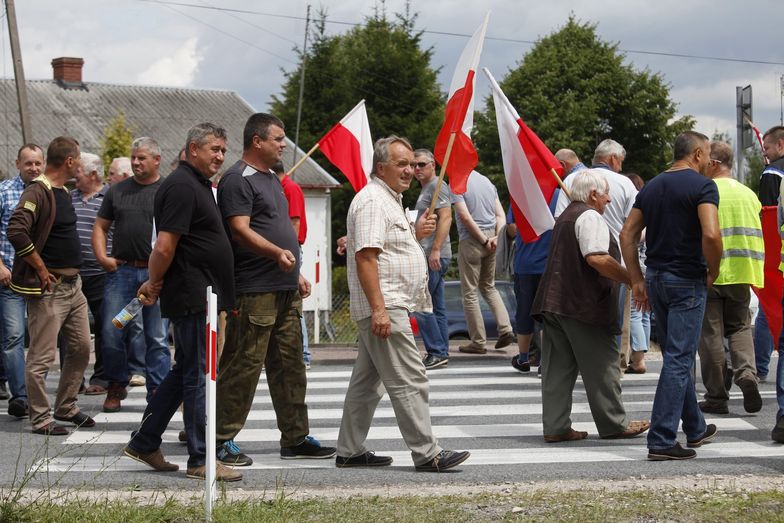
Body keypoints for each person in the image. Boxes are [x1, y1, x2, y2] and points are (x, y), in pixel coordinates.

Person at [336, 135, 470, 472]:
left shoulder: (388, 199)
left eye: (412, 164)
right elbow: (366, 257)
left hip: (389, 303)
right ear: (381, 167)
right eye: (401, 164)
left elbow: (390, 249)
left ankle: (349, 450)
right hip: (386, 305)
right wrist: (379, 309)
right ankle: (428, 453)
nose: (410, 170)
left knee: (366, 384)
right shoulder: (372, 201)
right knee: (410, 378)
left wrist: (416, 236)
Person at [123, 122, 241, 482]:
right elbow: (163, 246)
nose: (220, 156)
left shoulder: (198, 184)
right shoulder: (180, 186)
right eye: (213, 149)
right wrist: (154, 280)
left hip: (202, 293)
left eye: (223, 150)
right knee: (199, 376)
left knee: (184, 372)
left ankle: (145, 442)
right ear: (192, 149)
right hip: (193, 295)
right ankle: (200, 459)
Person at [215, 113, 334, 468]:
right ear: (257, 141)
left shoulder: (271, 179)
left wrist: (294, 270)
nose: (283, 145)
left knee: (290, 366)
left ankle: (295, 437)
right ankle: (220, 439)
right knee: (243, 366)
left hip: (284, 286)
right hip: (255, 289)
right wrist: (275, 253)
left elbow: (280, 228)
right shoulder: (237, 179)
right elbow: (239, 229)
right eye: (278, 139)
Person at [621, 131, 722, 460]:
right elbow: (710, 232)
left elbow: (628, 234)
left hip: (656, 278)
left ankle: (694, 426)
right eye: (707, 155)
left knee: (674, 356)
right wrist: (714, 267)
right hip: (687, 279)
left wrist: (636, 278)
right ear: (695, 154)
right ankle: (662, 439)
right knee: (680, 359)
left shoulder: (650, 186)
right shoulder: (703, 186)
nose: (709, 161)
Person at [531, 169, 649, 442]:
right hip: (582, 305)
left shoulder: (564, 217)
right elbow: (596, 258)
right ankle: (614, 424)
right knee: (604, 365)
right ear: (594, 194)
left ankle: (556, 427)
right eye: (606, 193)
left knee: (557, 371)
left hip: (553, 302)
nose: (609, 200)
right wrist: (631, 278)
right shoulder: (590, 216)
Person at [7, 136, 95, 435]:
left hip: (74, 287)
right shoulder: (37, 191)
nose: (81, 162)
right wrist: (41, 269)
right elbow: (16, 230)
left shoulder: (64, 192)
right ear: (69, 161)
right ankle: (41, 418)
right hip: (50, 289)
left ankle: (66, 405)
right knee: (41, 358)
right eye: (78, 158)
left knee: (82, 347)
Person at [93, 137, 170, 412]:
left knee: (157, 338)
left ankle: (158, 392)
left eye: (142, 158)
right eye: (134, 157)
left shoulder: (168, 190)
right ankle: (116, 385)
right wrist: (103, 257)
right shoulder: (118, 191)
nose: (136, 162)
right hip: (123, 275)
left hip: (156, 277)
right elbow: (101, 227)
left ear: (157, 160)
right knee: (112, 329)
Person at [556, 139, 638, 371]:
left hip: (574, 264)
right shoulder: (625, 183)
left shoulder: (571, 180)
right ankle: (613, 365)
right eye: (620, 162)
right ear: (613, 159)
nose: (620, 167)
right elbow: (637, 228)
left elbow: (559, 221)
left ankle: (580, 363)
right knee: (613, 320)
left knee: (579, 315)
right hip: (615, 263)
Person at [696, 141, 763, 416]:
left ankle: (716, 396)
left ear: (713, 163)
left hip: (712, 272)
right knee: (740, 328)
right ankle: (747, 374)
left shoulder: (705, 191)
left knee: (711, 334)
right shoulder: (749, 194)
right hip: (743, 271)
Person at [0, 144, 44, 418]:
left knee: (42, 341)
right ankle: (20, 396)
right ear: (18, 164)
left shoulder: (48, 192)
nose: (34, 168)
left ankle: (41, 396)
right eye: (28, 163)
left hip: (41, 278)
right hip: (10, 279)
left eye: (38, 163)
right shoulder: (4, 191)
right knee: (14, 337)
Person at [452, 171, 515, 354]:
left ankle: (478, 342)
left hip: (472, 240)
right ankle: (506, 329)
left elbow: (465, 216)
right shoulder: (487, 180)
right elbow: (500, 215)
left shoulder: (457, 181)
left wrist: (482, 240)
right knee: (489, 286)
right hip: (492, 238)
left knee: (470, 292)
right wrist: (496, 237)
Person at [71, 152, 111, 395]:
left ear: (93, 174)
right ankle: (73, 379)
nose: (75, 177)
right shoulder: (68, 198)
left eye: (79, 173)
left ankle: (102, 377)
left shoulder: (110, 197)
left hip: (101, 274)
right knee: (70, 330)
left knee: (107, 327)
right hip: (74, 274)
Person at [506, 192, 558, 374]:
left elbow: (511, 229)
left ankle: (523, 358)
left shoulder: (520, 194)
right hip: (550, 265)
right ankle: (545, 361)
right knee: (547, 315)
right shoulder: (559, 194)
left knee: (524, 313)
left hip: (525, 264)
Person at [412, 148, 453, 369]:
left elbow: (446, 218)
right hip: (430, 253)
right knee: (436, 306)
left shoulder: (438, 186)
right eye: (413, 165)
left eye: (421, 164)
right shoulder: (428, 188)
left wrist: (436, 249)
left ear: (433, 165)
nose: (416, 169)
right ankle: (440, 351)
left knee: (421, 303)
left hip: (432, 255)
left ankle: (436, 351)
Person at [272, 161, 312, 369]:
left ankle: (303, 354)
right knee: (287, 303)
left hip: (290, 250)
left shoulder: (290, 188)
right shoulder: (280, 187)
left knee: (293, 303)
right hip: (283, 251)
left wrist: (291, 254)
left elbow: (294, 222)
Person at [756, 126, 784, 384]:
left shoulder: (772, 172)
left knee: (767, 309)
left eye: (767, 148)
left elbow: (769, 215)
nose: (765, 154)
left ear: (781, 145)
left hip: (779, 258)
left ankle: (761, 367)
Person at [624, 173, 650, 374]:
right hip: (647, 266)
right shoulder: (649, 211)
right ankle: (642, 355)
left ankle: (638, 359)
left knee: (634, 313)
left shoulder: (637, 214)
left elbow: (634, 238)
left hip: (637, 267)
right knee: (644, 313)